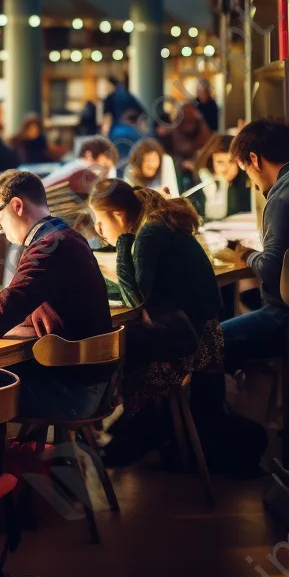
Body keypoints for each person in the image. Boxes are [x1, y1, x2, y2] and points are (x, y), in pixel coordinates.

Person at [0, 170, 113, 419]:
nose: (0, 228)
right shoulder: (66, 237)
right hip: (85, 381)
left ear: (16, 206)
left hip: (71, 393)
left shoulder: (47, 250)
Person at [87, 178, 224, 462]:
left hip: (192, 341)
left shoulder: (149, 233)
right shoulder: (155, 226)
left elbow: (135, 300)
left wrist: (123, 240)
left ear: (118, 215)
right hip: (197, 331)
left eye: (99, 221)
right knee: (127, 339)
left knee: (116, 343)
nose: (98, 230)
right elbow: (136, 291)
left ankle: (127, 427)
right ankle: (139, 428)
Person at [221, 119, 289, 371]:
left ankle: (217, 409)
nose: (251, 180)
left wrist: (245, 254)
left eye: (246, 170)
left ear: (254, 159)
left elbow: (270, 269)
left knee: (209, 342)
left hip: (282, 317)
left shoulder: (281, 196)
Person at [192, 134, 252, 220]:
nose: (226, 168)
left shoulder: (247, 183)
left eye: (231, 161)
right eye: (220, 162)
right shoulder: (202, 183)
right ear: (211, 162)